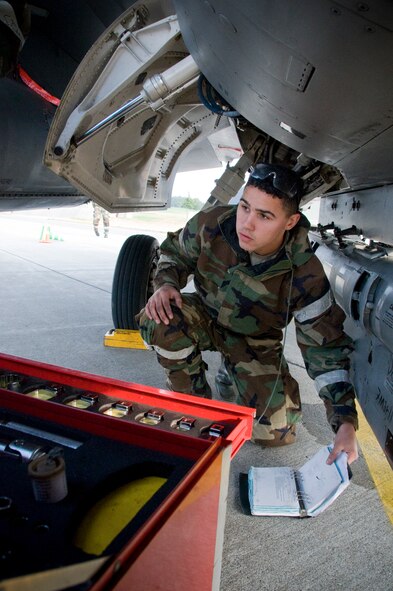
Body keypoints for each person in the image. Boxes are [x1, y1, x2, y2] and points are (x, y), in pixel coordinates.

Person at [136, 163, 358, 464]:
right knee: (161, 319)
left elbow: (324, 350)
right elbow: (173, 252)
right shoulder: (211, 224)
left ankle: (233, 373)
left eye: (264, 216)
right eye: (245, 208)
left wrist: (344, 422)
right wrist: (164, 284)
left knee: (277, 435)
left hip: (256, 342)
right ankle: (193, 405)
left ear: (290, 221)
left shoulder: (305, 273)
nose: (247, 224)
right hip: (205, 317)